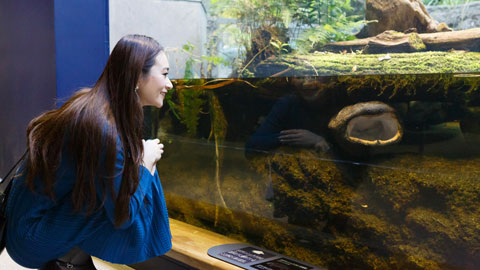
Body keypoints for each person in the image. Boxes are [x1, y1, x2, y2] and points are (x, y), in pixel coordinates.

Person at [5, 35, 173, 270]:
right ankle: (68, 260)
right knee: (117, 204)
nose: (170, 84)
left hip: (23, 227)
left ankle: (73, 259)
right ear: (136, 76)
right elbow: (122, 217)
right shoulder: (104, 130)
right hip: (31, 239)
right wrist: (145, 163)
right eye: (165, 74)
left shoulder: (94, 106)